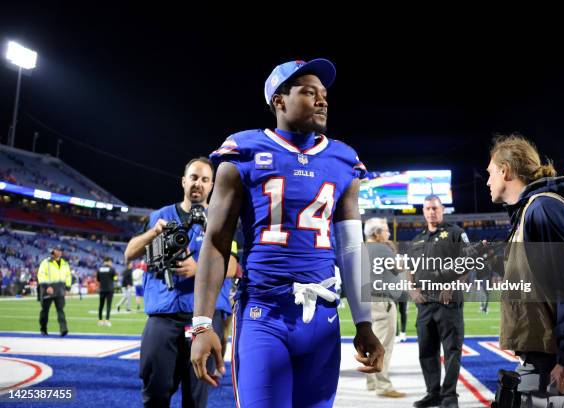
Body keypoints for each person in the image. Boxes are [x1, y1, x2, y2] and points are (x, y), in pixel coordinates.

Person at [191, 58, 384, 408]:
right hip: (264, 314)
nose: (322, 101)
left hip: (323, 319)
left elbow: (352, 248)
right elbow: (217, 243)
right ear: (279, 101)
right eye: (309, 93)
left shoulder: (343, 159)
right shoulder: (243, 152)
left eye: (324, 94)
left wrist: (364, 323)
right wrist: (203, 324)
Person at [486, 134, 564, 396]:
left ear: (506, 170)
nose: (488, 181)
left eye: (490, 172)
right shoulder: (534, 209)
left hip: (550, 359)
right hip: (543, 354)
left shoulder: (543, 208)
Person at [124, 157, 237, 408]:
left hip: (203, 317)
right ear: (184, 181)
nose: (198, 183)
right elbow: (129, 253)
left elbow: (234, 265)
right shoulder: (160, 216)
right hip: (163, 315)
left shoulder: (222, 217)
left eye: (205, 179)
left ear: (212, 186)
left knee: (196, 397)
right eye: (194, 177)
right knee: (155, 391)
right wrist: (154, 233)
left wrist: (200, 269)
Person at [407, 195, 468, 408]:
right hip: (424, 304)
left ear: (442, 209)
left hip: (448, 303)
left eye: (435, 208)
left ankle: (449, 396)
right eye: (427, 208)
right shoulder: (416, 240)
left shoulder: (456, 233)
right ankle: (432, 393)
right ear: (423, 211)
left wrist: (451, 285)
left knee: (452, 351)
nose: (431, 212)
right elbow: (408, 268)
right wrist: (412, 289)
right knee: (426, 351)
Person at [363, 217, 406, 398]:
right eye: (385, 229)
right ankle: (383, 385)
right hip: (382, 302)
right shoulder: (381, 248)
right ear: (376, 233)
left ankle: (372, 381)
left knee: (372, 343)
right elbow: (398, 268)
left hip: (367, 301)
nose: (388, 233)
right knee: (383, 346)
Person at [37, 245, 71, 336]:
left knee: (60, 310)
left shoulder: (65, 263)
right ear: (53, 251)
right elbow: (41, 275)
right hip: (47, 290)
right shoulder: (45, 262)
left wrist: (67, 288)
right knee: (45, 310)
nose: (60, 252)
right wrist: (47, 286)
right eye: (58, 250)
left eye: (61, 250)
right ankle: (43, 329)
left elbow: (68, 276)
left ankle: (63, 329)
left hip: (60, 289)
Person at [96, 257, 116, 327]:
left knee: (101, 306)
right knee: (108, 306)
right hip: (109, 289)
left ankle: (100, 320)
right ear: (108, 261)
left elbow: (98, 279)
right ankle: (107, 320)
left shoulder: (99, 269)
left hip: (102, 289)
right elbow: (115, 278)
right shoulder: (112, 269)